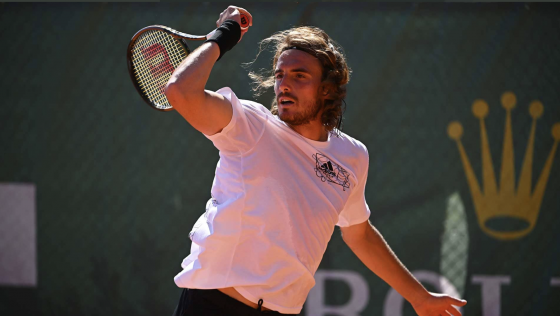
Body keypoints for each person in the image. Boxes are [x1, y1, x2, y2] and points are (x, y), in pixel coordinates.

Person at [165, 5, 467, 316]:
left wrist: (419, 297)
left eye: (299, 75)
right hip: (211, 305)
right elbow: (180, 92)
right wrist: (224, 35)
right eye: (280, 74)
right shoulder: (250, 125)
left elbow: (359, 233)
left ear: (326, 89)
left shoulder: (352, 156)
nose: (284, 83)